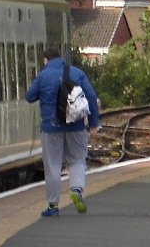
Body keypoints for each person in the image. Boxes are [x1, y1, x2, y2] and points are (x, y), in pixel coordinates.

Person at [25, 46, 101, 217]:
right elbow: (90, 96)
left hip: (51, 128)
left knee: (52, 166)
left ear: (46, 60)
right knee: (77, 160)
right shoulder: (77, 73)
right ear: (61, 58)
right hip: (76, 126)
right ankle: (76, 190)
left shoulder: (43, 76)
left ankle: (53, 206)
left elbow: (29, 96)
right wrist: (94, 123)